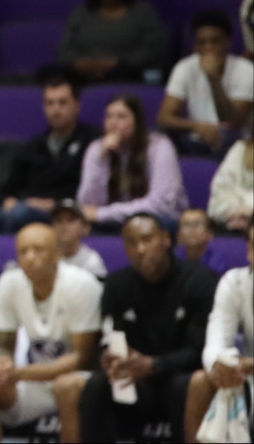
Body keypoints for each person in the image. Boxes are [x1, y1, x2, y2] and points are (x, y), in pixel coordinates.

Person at [65, 213, 218, 441]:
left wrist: (154, 364)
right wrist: (111, 357)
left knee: (188, 384)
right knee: (97, 385)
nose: (140, 249)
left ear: (166, 239)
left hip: (180, 379)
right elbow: (110, 336)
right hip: (136, 382)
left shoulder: (201, 281)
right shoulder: (117, 285)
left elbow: (200, 349)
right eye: (131, 243)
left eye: (147, 239)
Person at [0, 222, 101, 444]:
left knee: (66, 386)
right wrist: (0, 365)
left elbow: (82, 358)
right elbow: (5, 346)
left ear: (57, 253)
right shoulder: (9, 283)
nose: (30, 257)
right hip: (37, 381)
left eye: (38, 250)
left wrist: (20, 373)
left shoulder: (81, 284)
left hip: (81, 381)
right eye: (23, 251)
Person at [0, 74, 96, 234]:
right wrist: (8, 200)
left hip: (63, 213)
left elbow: (91, 195)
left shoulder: (92, 143)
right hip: (24, 208)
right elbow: (7, 191)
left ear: (77, 105)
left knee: (22, 213)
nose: (56, 109)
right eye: (50, 103)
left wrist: (52, 204)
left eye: (62, 102)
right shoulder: (32, 147)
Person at [57, 0, 170, 84]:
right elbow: (64, 50)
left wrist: (116, 63)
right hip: (83, 73)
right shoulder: (81, 13)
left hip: (126, 72)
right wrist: (82, 63)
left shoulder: (144, 12)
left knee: (145, 74)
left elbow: (153, 50)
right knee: (50, 74)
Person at [184, 228, 252, 441]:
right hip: (248, 376)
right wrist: (220, 365)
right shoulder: (235, 282)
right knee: (201, 381)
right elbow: (216, 340)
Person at [79, 93, 185, 228]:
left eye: (121, 117)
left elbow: (161, 206)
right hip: (112, 223)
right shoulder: (97, 148)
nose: (113, 123)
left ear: (137, 122)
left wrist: (103, 214)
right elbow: (88, 204)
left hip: (158, 223)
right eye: (109, 117)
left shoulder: (160, 147)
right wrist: (102, 161)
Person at [160, 9, 254, 155]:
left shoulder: (245, 69)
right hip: (195, 138)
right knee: (161, 140)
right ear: (194, 46)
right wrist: (197, 126)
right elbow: (164, 118)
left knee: (227, 138)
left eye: (215, 41)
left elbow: (233, 121)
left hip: (234, 142)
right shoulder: (185, 67)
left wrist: (214, 80)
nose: (208, 48)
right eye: (201, 43)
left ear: (227, 42)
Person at [50, 199, 108, 278]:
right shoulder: (46, 259)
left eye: (71, 220)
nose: (64, 225)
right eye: (58, 220)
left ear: (85, 227)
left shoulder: (92, 261)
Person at [211, 128, 253, 233]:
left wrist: (250, 214)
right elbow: (219, 194)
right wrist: (236, 211)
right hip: (231, 220)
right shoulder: (240, 149)